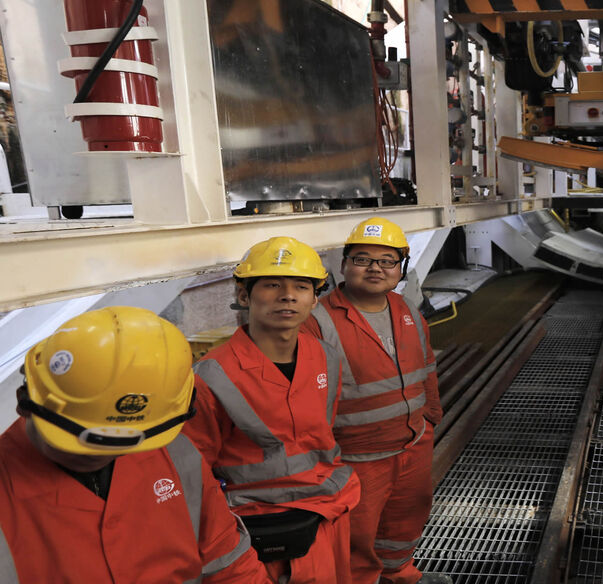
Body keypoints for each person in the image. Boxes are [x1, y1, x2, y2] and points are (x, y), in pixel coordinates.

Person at [0, 306, 269, 583]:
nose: (100, 453)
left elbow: (230, 565)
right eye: (90, 438)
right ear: (25, 401)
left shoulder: (177, 454)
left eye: (120, 441)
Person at [184, 236, 362, 584]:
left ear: (315, 297)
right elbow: (194, 472)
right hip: (259, 527)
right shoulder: (212, 375)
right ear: (243, 296)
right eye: (271, 284)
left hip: (329, 510)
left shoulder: (325, 356)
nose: (287, 295)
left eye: (301, 286)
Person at [301, 218, 449, 584]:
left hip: (412, 444)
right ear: (343, 265)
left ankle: (399, 574)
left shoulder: (407, 310)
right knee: (355, 537)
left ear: (400, 269)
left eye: (387, 261)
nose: (375, 269)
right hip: (355, 456)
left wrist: (430, 418)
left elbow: (427, 367)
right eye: (363, 259)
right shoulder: (316, 321)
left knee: (405, 520)